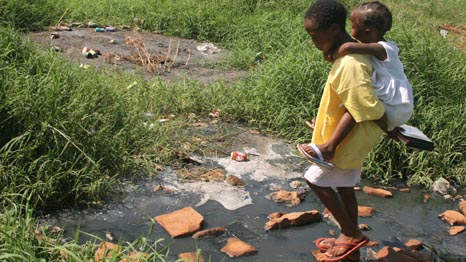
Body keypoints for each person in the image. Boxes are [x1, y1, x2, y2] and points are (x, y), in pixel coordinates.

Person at [299, 0, 386, 261]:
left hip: (351, 136)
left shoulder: (351, 63)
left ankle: (351, 233)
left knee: (314, 179)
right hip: (352, 133)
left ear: (334, 29)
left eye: (314, 35)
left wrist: (391, 127)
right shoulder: (347, 56)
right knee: (345, 185)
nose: (313, 41)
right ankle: (350, 237)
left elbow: (362, 106)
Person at [328, 1, 414, 133]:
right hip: (391, 104)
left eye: (353, 27)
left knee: (355, 104)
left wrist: (331, 54)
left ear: (369, 32)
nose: (350, 31)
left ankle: (329, 146)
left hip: (396, 108)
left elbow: (348, 47)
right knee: (351, 96)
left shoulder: (384, 49)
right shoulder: (371, 46)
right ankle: (328, 127)